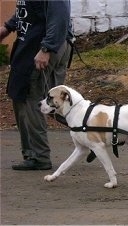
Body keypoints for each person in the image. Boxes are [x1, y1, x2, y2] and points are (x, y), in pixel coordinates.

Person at [0, 0, 73, 170]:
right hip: (30, 45)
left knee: (35, 100)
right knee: (24, 96)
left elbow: (59, 17)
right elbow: (27, 8)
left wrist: (47, 48)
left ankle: (39, 156)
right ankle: (93, 135)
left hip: (43, 47)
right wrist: (8, 27)